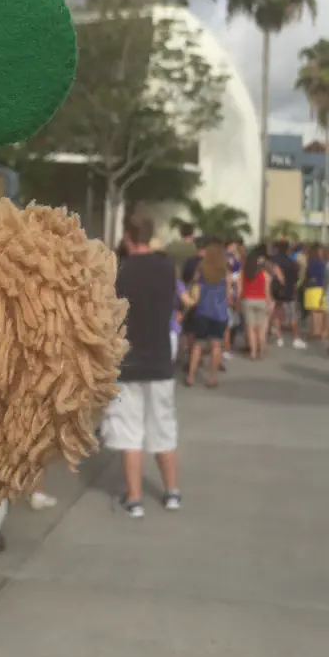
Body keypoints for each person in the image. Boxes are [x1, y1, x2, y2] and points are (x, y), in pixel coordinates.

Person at [102, 211, 182, 519]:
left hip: (127, 360)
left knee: (129, 431)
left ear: (127, 236)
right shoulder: (166, 267)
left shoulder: (119, 270)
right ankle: (172, 492)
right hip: (160, 358)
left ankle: (134, 499)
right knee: (164, 427)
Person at [186, 241, 231, 388]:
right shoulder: (225, 272)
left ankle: (190, 377)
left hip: (203, 310)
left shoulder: (201, 269)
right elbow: (228, 295)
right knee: (216, 345)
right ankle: (212, 378)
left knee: (198, 345)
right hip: (219, 312)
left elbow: (194, 284)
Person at [269, 239, 307, 349]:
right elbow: (297, 277)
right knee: (292, 315)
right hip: (289, 292)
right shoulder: (291, 262)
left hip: (275, 290)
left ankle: (278, 336)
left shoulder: (273, 260)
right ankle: (295, 338)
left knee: (276, 313)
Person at [239, 244, 272, 360]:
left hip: (248, 300)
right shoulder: (264, 274)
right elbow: (267, 292)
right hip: (261, 300)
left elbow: (240, 290)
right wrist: (269, 303)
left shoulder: (244, 273)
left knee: (250, 328)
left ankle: (253, 352)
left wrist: (238, 302)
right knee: (260, 328)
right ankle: (261, 350)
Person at [303, 244, 329, 341]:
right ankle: (318, 331)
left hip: (310, 289)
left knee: (313, 312)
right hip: (319, 288)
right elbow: (324, 278)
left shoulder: (310, 263)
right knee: (318, 311)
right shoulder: (321, 264)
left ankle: (313, 331)